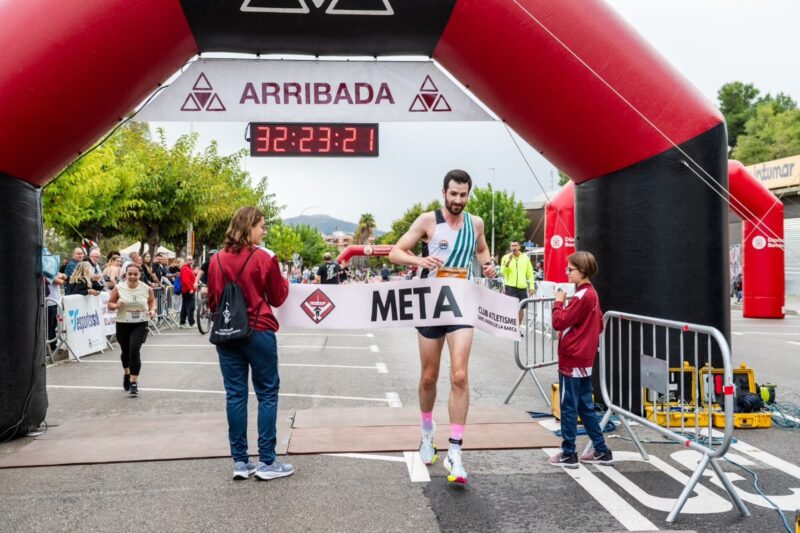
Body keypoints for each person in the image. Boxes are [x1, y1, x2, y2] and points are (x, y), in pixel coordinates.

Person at [388, 169, 495, 486]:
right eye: (453, 194)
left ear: (468, 194)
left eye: (463, 195)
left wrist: (487, 265)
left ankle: (456, 451)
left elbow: (482, 251)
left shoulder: (476, 224)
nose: (458, 200)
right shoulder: (427, 221)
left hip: (461, 302)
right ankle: (426, 432)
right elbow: (396, 252)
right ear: (444, 192)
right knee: (429, 376)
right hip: (431, 304)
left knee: (460, 374)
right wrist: (418, 262)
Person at [207, 206, 292, 481]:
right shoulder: (264, 257)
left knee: (235, 395)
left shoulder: (216, 259)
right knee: (267, 393)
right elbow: (277, 297)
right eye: (261, 226)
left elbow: (212, 301)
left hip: (227, 332)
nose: (264, 231)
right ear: (249, 227)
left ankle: (241, 461)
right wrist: (287, 283)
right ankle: (267, 461)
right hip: (258, 330)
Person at [548, 251, 613, 468]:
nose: (567, 273)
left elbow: (559, 322)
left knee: (569, 406)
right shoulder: (592, 294)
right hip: (585, 358)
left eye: (570, 269)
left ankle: (568, 453)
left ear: (582, 271)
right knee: (585, 405)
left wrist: (558, 303)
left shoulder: (581, 296)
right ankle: (601, 449)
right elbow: (599, 324)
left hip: (572, 358)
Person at [107, 262, 156, 396]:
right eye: (130, 274)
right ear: (126, 274)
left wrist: (152, 310)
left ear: (140, 274)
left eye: (135, 274)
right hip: (123, 323)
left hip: (140, 323)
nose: (133, 276)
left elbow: (152, 301)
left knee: (134, 350)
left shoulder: (146, 288)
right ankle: (127, 373)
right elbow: (110, 304)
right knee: (125, 351)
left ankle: (134, 382)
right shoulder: (119, 288)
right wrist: (116, 305)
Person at [500, 240, 536, 331]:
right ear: (510, 247)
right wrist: (508, 262)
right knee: (511, 309)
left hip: (522, 287)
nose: (514, 247)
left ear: (519, 247)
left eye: (516, 245)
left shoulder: (525, 258)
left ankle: (517, 329)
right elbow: (502, 272)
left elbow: (530, 273)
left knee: (521, 309)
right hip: (510, 287)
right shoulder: (505, 257)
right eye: (512, 246)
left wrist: (532, 287)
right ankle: (510, 328)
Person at [179, 257, 197, 328]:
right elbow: (185, 281)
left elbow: (189, 279)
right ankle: (191, 322)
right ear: (186, 261)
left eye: (191, 260)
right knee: (191, 307)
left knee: (185, 307)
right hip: (188, 291)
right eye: (189, 260)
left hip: (187, 290)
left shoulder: (188, 268)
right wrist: (190, 289)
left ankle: (182, 323)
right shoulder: (185, 268)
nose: (190, 261)